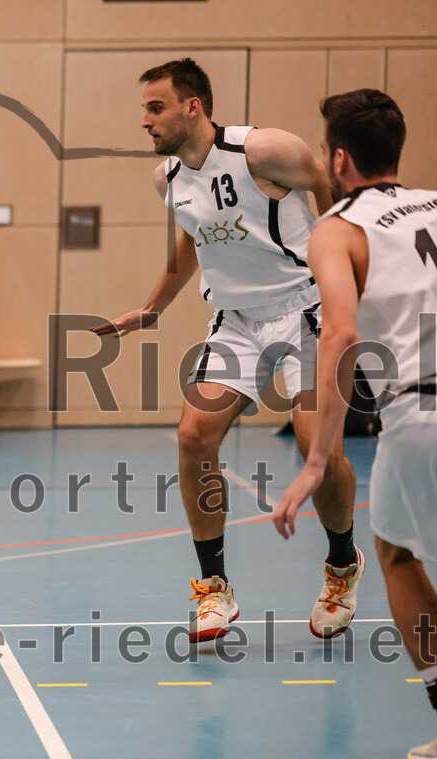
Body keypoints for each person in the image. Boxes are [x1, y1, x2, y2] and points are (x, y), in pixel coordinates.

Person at [93, 58, 360, 643]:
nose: (146, 120)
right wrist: (153, 307)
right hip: (236, 322)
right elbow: (192, 240)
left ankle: (342, 563)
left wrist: (336, 262)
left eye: (155, 107)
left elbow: (327, 184)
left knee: (318, 441)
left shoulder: (261, 151)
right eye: (145, 109)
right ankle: (215, 589)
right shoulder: (168, 178)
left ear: (193, 107)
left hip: (304, 310)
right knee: (194, 437)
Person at [273, 90, 437, 759]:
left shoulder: (337, 228)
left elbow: (339, 332)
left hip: (420, 410)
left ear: (337, 159)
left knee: (396, 553)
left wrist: (320, 457)